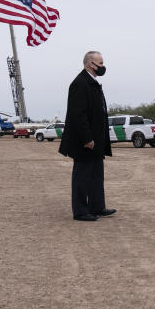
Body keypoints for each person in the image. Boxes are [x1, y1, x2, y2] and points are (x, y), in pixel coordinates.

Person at [58, 51, 116, 222]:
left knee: (97, 175)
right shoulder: (79, 83)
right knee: (82, 176)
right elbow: (78, 115)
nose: (103, 66)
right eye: (100, 63)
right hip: (84, 141)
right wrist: (87, 139)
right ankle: (81, 211)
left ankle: (97, 206)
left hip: (97, 140)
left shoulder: (93, 83)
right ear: (90, 64)